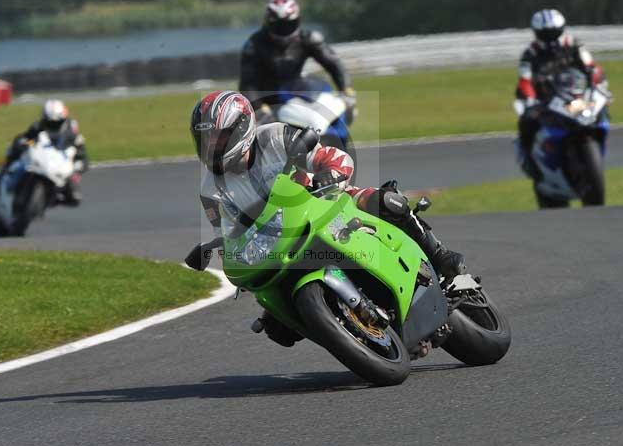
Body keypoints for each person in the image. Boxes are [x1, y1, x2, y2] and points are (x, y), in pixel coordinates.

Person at [191, 90, 465, 346]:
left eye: (218, 139)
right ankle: (346, 327)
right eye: (206, 141)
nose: (211, 147)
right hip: (275, 243)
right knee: (279, 329)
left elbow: (332, 157)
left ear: (241, 129)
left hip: (323, 203)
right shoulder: (210, 189)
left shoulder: (276, 137)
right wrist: (219, 248)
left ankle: (439, 255)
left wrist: (329, 174)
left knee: (387, 201)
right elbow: (228, 233)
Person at [515, 9, 608, 178]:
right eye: (546, 34)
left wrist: (598, 81)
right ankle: (529, 160)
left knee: (603, 103)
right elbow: (525, 80)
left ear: (562, 29)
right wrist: (529, 98)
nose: (551, 37)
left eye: (554, 32)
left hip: (575, 94)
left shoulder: (574, 46)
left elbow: (592, 67)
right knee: (526, 120)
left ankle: (598, 141)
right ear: (537, 33)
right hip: (546, 100)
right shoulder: (530, 55)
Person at [239, 0, 356, 122]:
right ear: (268, 23)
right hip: (270, 101)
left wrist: (346, 89)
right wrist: (259, 107)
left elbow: (333, 63)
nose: (284, 30)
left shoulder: (308, 38)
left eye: (289, 25)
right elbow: (248, 83)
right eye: (279, 26)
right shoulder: (254, 45)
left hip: (298, 93)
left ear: (297, 21)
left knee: (336, 111)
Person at [0, 99, 88, 221]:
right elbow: (24, 137)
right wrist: (24, 143)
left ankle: (44, 202)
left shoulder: (72, 130)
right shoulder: (38, 125)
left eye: (57, 122)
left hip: (60, 165)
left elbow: (82, 154)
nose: (53, 125)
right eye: (50, 122)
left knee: (75, 198)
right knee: (11, 160)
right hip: (39, 159)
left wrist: (78, 167)